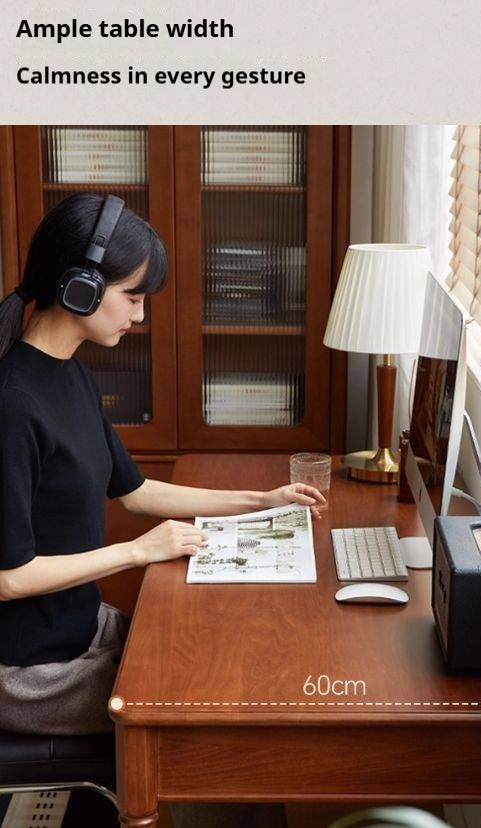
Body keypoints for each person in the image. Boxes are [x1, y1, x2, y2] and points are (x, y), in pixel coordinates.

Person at [0, 192, 325, 744]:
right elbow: (8, 578)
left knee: (216, 645)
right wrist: (139, 551)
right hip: (30, 672)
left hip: (80, 631)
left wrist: (261, 501)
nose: (140, 314)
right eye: (131, 296)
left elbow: (136, 492)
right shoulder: (12, 403)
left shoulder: (70, 374)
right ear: (79, 285)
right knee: (212, 694)